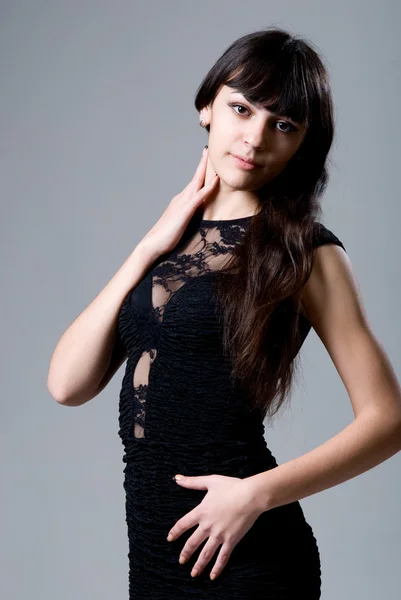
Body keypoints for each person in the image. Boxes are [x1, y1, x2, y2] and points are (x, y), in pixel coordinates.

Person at [47, 26, 401, 599]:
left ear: (302, 144)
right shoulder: (170, 243)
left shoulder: (308, 253)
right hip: (157, 551)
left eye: (283, 125)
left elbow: (388, 420)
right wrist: (147, 248)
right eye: (242, 109)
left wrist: (255, 494)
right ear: (206, 107)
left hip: (246, 553)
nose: (255, 137)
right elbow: (66, 384)